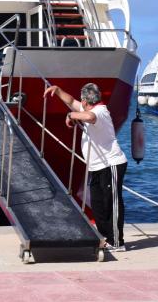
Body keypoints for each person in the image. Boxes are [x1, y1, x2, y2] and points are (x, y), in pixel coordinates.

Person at [43, 83, 127, 252]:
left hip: (111, 164)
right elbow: (71, 101)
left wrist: (71, 115)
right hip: (97, 167)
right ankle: (105, 237)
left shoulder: (100, 111)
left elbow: (89, 117)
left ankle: (117, 242)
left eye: (81, 101)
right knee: (97, 203)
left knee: (111, 203)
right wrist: (58, 90)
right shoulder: (88, 107)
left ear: (85, 101)